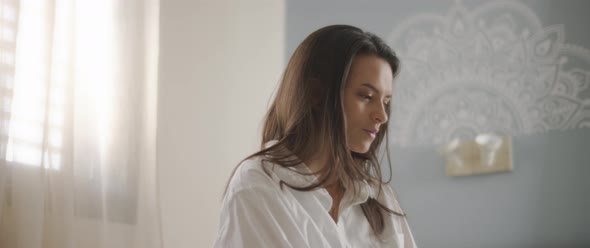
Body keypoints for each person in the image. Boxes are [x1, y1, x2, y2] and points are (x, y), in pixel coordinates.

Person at [213, 25, 417, 248]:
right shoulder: (258, 185)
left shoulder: (379, 198)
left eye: (386, 102)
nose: (382, 115)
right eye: (366, 96)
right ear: (316, 94)